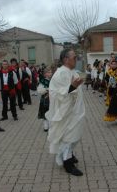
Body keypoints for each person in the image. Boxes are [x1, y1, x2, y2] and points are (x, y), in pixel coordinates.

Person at [46, 48, 85, 176]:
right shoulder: (61, 73)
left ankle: (69, 154)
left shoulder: (72, 71)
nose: (76, 59)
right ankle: (68, 163)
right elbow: (56, 93)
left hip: (74, 110)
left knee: (75, 135)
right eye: (74, 57)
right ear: (66, 59)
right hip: (66, 112)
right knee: (68, 137)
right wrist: (72, 87)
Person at [37, 67, 52, 132]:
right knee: (45, 112)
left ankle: (51, 124)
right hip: (45, 99)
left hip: (52, 99)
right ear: (45, 74)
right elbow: (39, 90)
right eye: (49, 72)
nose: (50, 73)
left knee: (51, 111)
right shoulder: (43, 81)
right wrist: (46, 89)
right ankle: (46, 125)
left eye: (51, 72)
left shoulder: (53, 80)